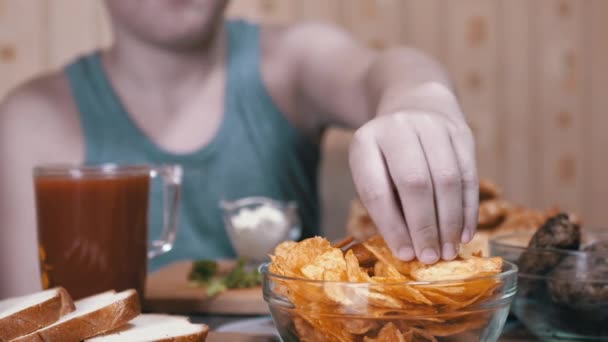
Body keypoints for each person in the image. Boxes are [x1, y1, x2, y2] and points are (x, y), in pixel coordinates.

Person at [0, 0, 478, 297]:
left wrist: (420, 98)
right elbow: (31, 320)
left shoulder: (293, 58)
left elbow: (387, 69)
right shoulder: (32, 119)